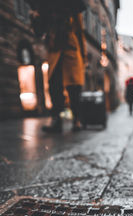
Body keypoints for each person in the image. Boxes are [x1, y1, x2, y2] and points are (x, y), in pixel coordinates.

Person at [30, 3, 87, 132]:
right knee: (54, 86)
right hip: (54, 52)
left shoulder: (72, 10)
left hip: (71, 51)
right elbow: (39, 32)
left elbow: (79, 32)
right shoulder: (45, 12)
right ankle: (56, 119)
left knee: (74, 88)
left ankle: (77, 119)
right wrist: (35, 17)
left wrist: (83, 57)